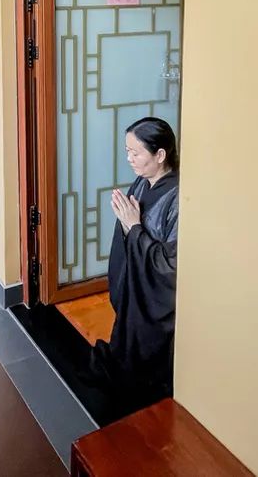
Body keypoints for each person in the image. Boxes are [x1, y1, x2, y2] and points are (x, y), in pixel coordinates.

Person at [90, 117, 180, 414]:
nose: (129, 159)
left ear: (160, 155)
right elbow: (129, 235)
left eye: (135, 153)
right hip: (135, 293)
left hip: (155, 301)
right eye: (127, 151)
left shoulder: (178, 197)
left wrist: (134, 227)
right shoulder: (142, 182)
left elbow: (170, 264)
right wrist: (129, 225)